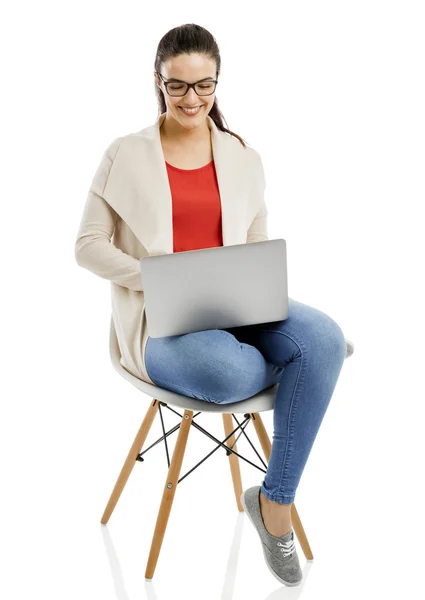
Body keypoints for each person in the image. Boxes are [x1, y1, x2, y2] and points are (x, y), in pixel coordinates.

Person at [76, 23, 348, 587]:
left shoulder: (242, 156)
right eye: (178, 87)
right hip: (163, 325)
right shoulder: (125, 154)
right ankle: (305, 371)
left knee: (322, 336)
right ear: (158, 82)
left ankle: (274, 505)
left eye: (205, 86)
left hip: (235, 307)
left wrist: (247, 288)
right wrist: (159, 278)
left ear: (218, 83)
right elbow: (88, 248)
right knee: (237, 371)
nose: (192, 100)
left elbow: (255, 245)